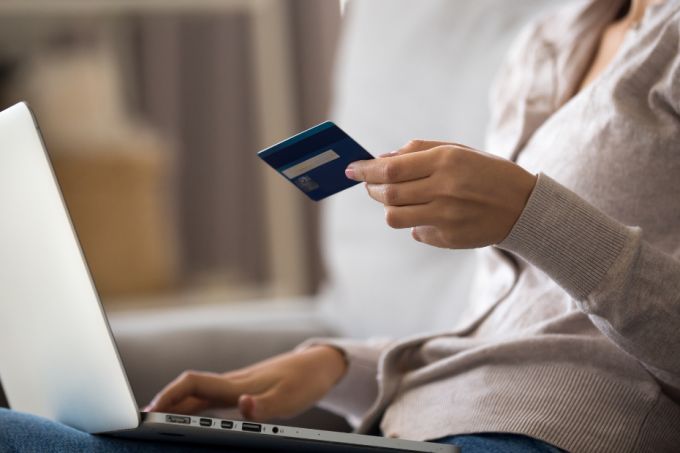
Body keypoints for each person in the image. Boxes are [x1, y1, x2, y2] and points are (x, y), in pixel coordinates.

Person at [2, 0, 679, 451]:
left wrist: (531, 213)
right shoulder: (549, 40)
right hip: (409, 428)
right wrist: (333, 364)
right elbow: (510, 321)